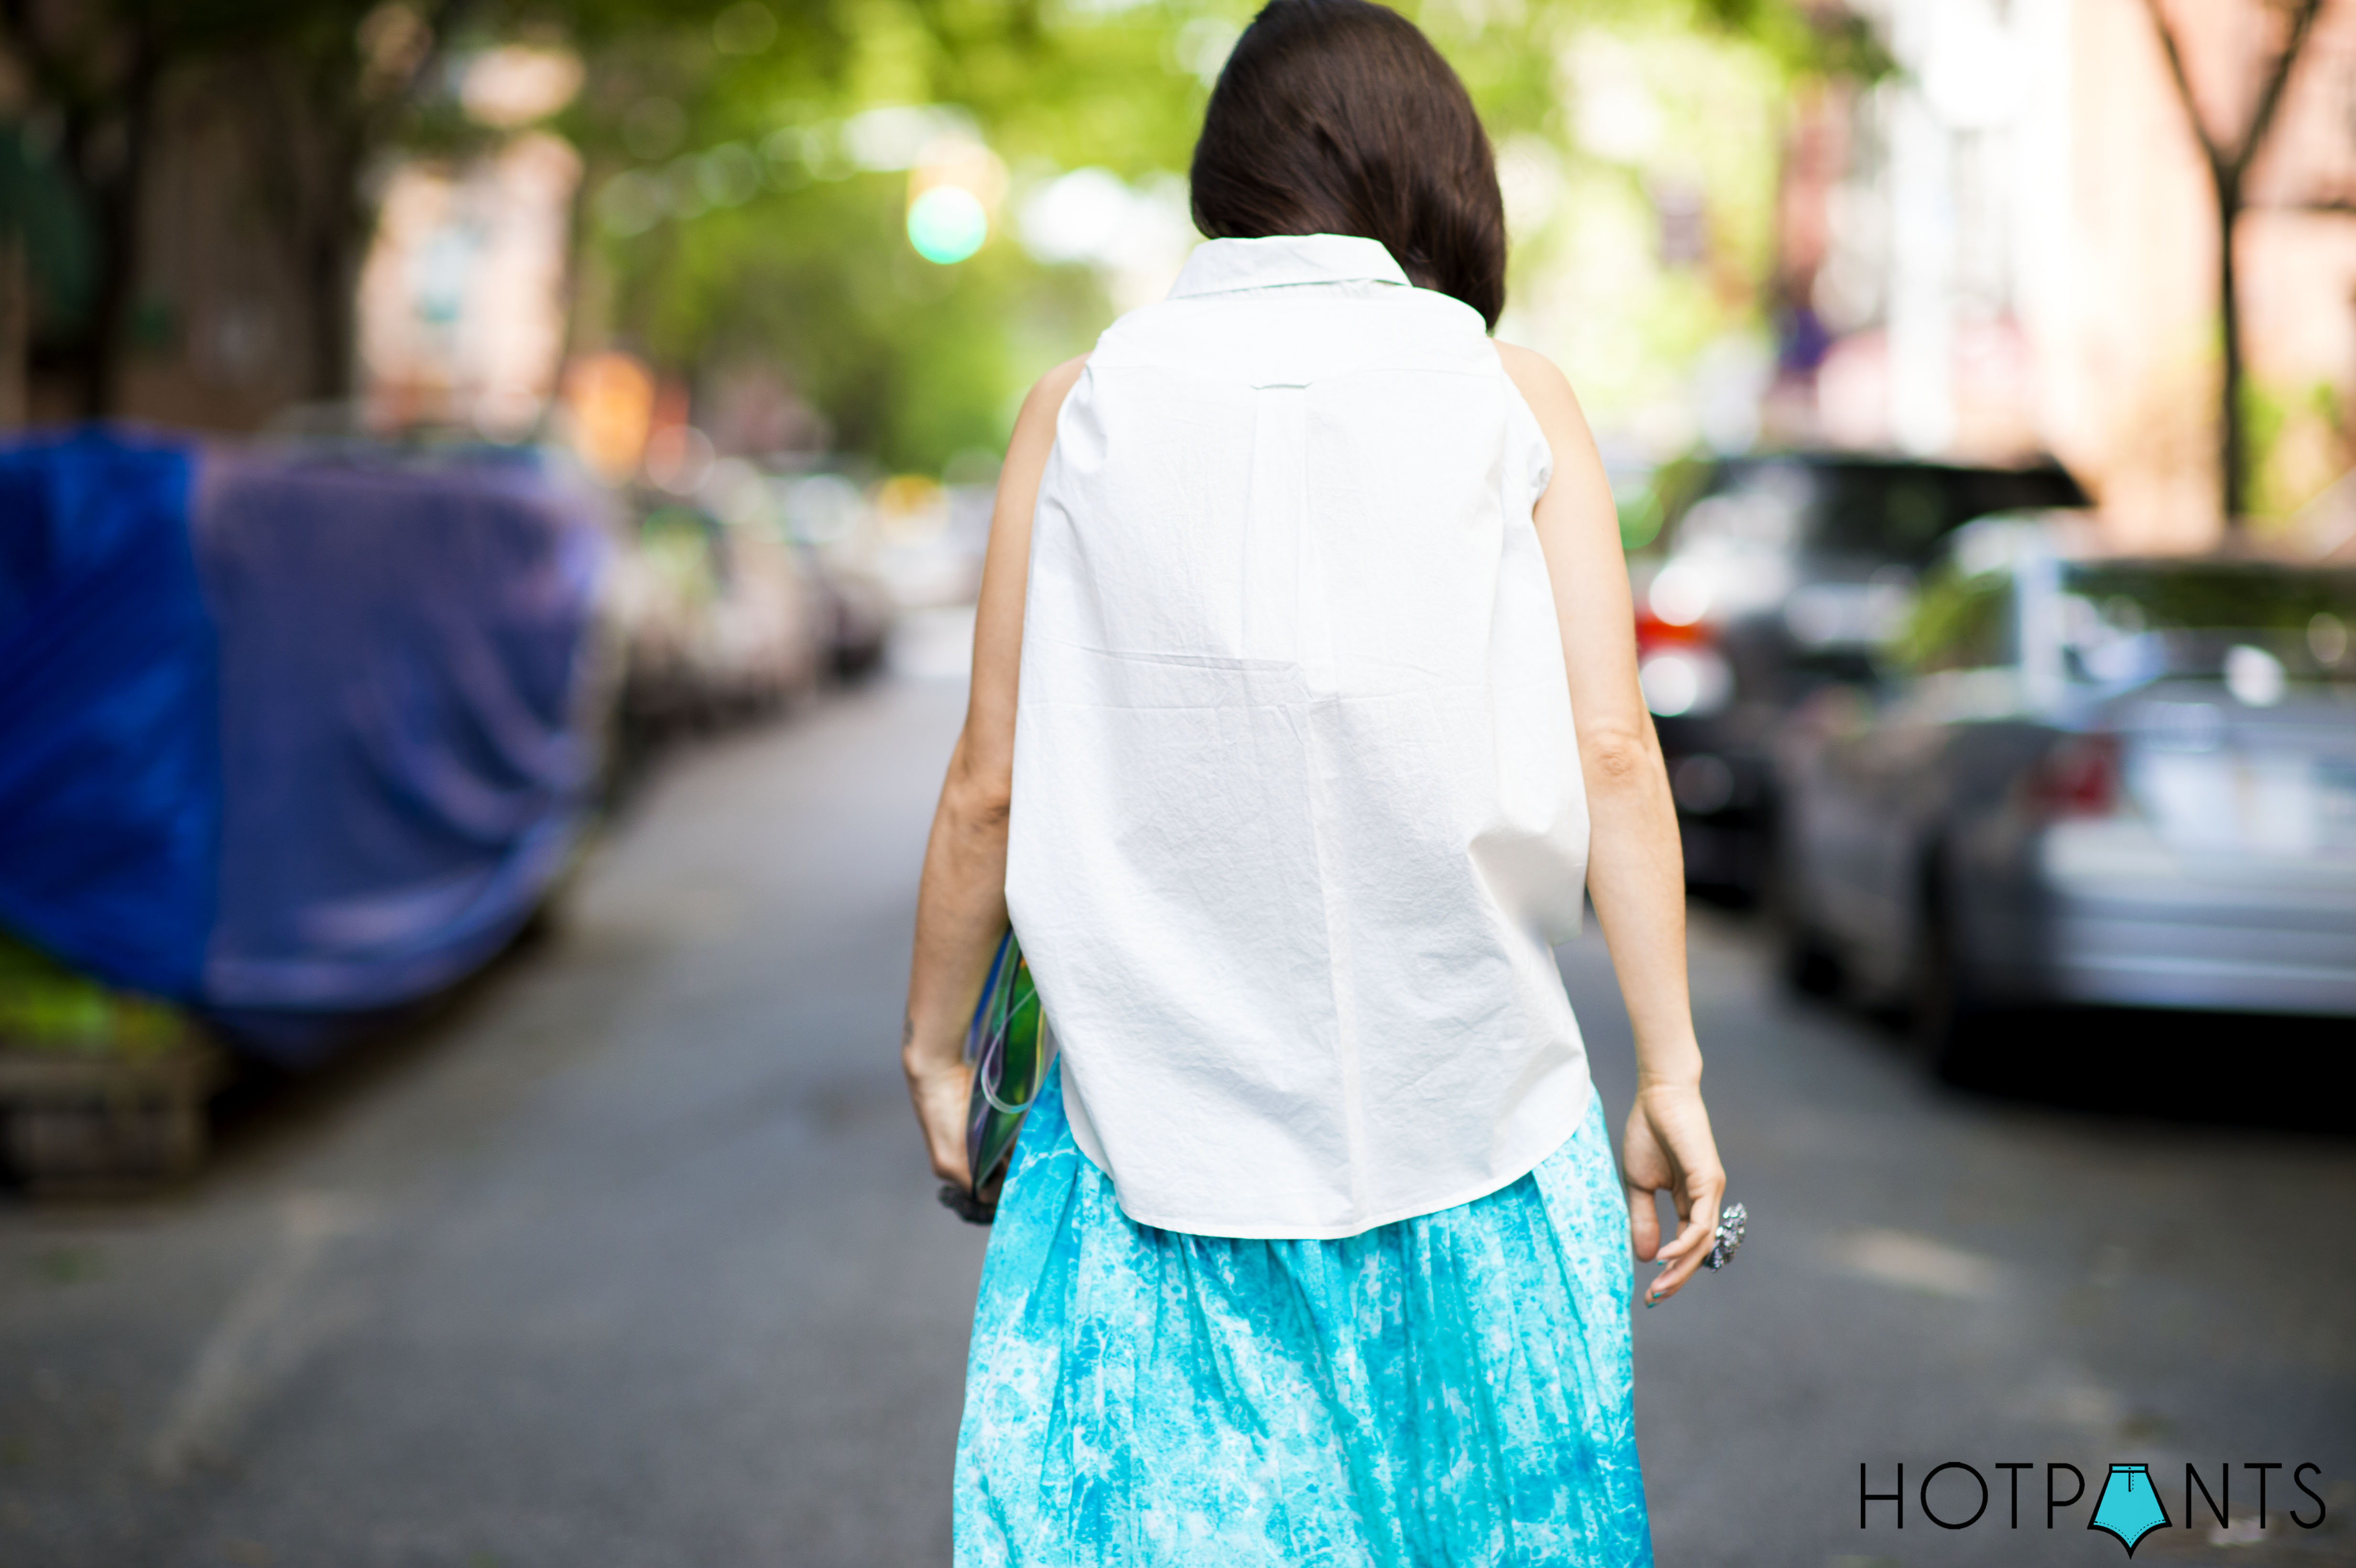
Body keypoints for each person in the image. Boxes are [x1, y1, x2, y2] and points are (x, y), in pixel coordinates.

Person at [903, 1, 1726, 1560]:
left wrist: (937, 1047)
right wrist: (1670, 1072)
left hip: (1148, 1167)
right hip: (1477, 1138)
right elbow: (1615, 751)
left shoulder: (1077, 407)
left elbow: (986, 787)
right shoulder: (1512, 396)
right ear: (1436, 177)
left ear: (1231, 177)